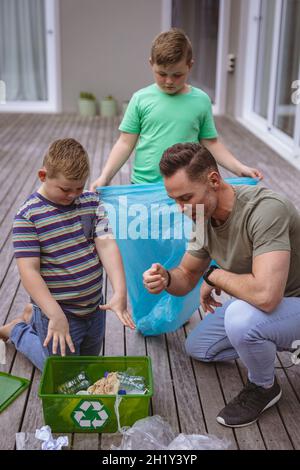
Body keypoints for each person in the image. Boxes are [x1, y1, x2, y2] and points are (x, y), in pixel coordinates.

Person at [143, 142, 300, 428]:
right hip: (268, 307)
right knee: (199, 347)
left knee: (241, 319)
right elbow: (187, 276)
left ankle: (264, 386)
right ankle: (271, 340)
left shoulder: (265, 210)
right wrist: (166, 278)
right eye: (175, 200)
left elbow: (266, 297)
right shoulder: (201, 216)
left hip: (291, 301)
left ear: (214, 180)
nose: (181, 209)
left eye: (186, 197)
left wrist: (214, 275)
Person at [0, 138, 135, 371]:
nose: (73, 195)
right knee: (63, 374)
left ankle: (33, 314)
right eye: (65, 189)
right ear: (43, 176)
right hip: (59, 310)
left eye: (79, 188)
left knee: (88, 365)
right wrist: (55, 315)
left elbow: (107, 245)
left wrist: (119, 292)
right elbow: (28, 271)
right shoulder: (28, 216)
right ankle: (17, 330)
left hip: (93, 307)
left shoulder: (91, 202)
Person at [90, 28, 262, 191]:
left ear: (190, 65)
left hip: (190, 187)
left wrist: (239, 168)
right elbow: (125, 143)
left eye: (177, 75)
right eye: (162, 74)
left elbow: (211, 143)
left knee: (195, 223)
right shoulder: (140, 99)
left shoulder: (201, 101)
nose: (169, 81)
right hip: (144, 187)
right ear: (151, 64)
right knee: (148, 224)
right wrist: (105, 176)